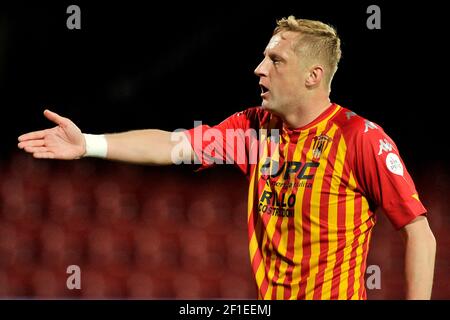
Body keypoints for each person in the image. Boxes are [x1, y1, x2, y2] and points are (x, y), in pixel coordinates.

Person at [17, 16, 436, 300]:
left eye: (275, 60)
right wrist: (87, 143)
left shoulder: (360, 138)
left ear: (314, 75)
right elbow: (173, 146)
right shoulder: (254, 131)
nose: (259, 69)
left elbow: (419, 232)